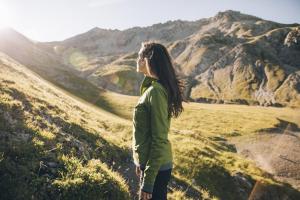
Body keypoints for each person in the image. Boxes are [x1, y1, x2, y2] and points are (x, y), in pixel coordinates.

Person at [132, 40, 186, 200]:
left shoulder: (155, 92)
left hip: (156, 168)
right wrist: (139, 161)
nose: (137, 60)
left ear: (147, 60)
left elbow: (159, 139)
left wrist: (148, 182)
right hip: (151, 164)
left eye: (139, 56)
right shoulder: (151, 88)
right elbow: (143, 132)